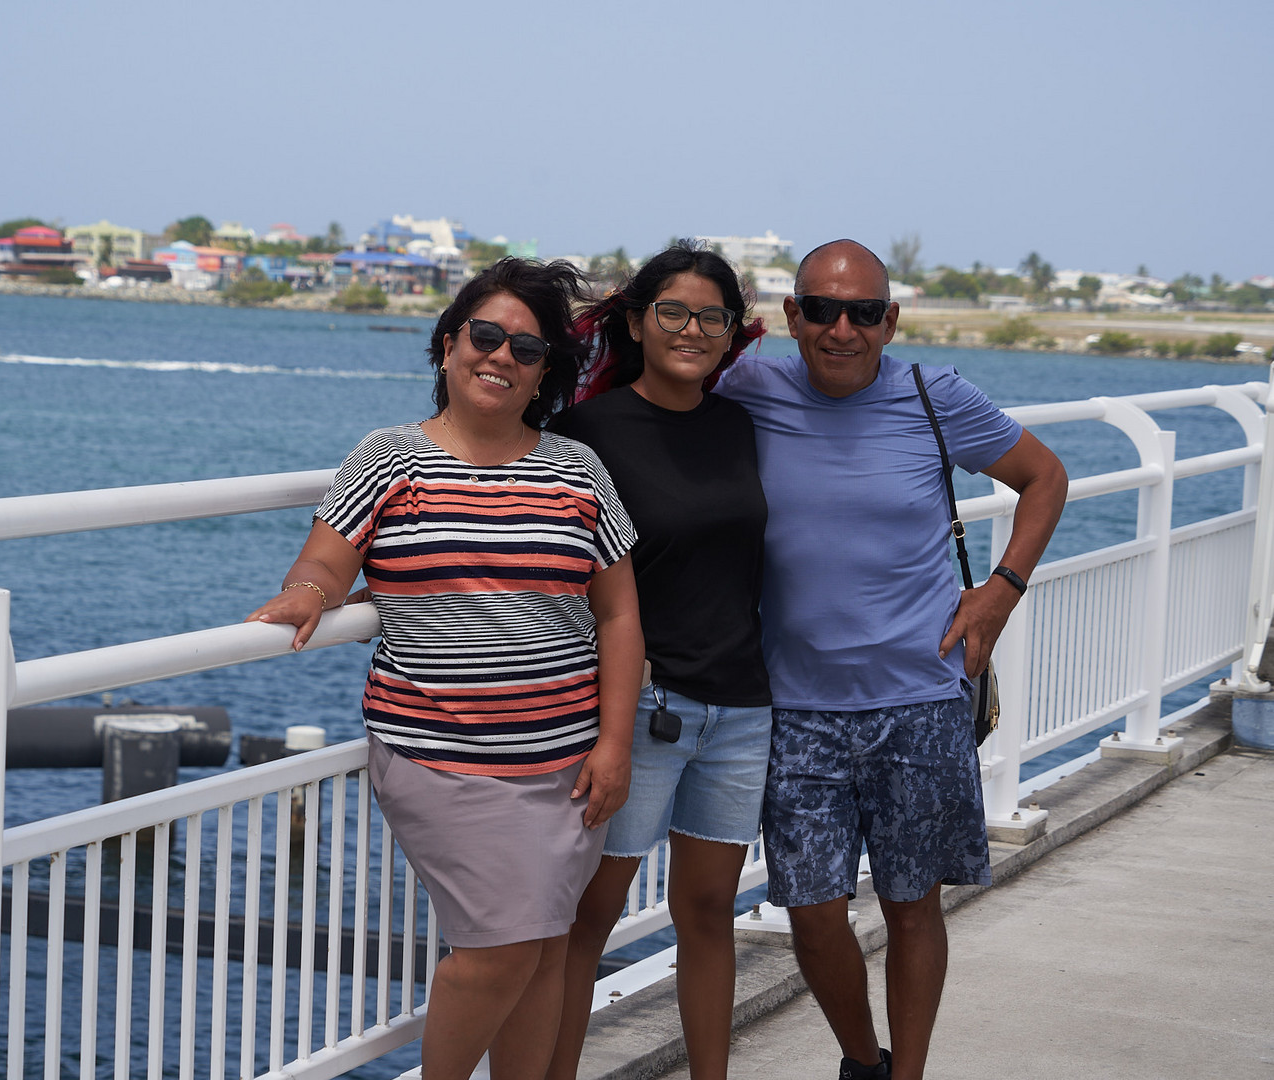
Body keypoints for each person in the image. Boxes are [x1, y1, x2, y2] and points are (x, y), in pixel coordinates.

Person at [245, 258, 645, 1080]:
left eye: (526, 349)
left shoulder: (577, 471)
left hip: (567, 765)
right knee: (499, 954)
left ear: (544, 374)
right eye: (485, 336)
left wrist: (614, 745)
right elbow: (323, 562)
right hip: (441, 756)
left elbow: (620, 614)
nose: (500, 357)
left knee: (538, 952)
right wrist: (308, 594)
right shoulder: (390, 458)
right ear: (449, 345)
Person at [714, 239, 1068, 1080]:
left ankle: (903, 1073)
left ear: (890, 320)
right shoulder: (748, 386)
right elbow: (652, 396)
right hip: (795, 706)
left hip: (919, 701)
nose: (843, 329)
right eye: (824, 311)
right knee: (810, 910)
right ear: (791, 317)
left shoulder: (930, 394)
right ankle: (858, 1060)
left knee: (913, 907)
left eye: (864, 312)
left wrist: (1002, 589)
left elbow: (1044, 477)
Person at [543, 242, 771, 1080]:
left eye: (712, 316)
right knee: (587, 920)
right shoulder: (586, 435)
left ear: (730, 334)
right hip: (639, 709)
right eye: (671, 311)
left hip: (744, 708)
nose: (692, 329)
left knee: (710, 911)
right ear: (637, 324)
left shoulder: (743, 425)